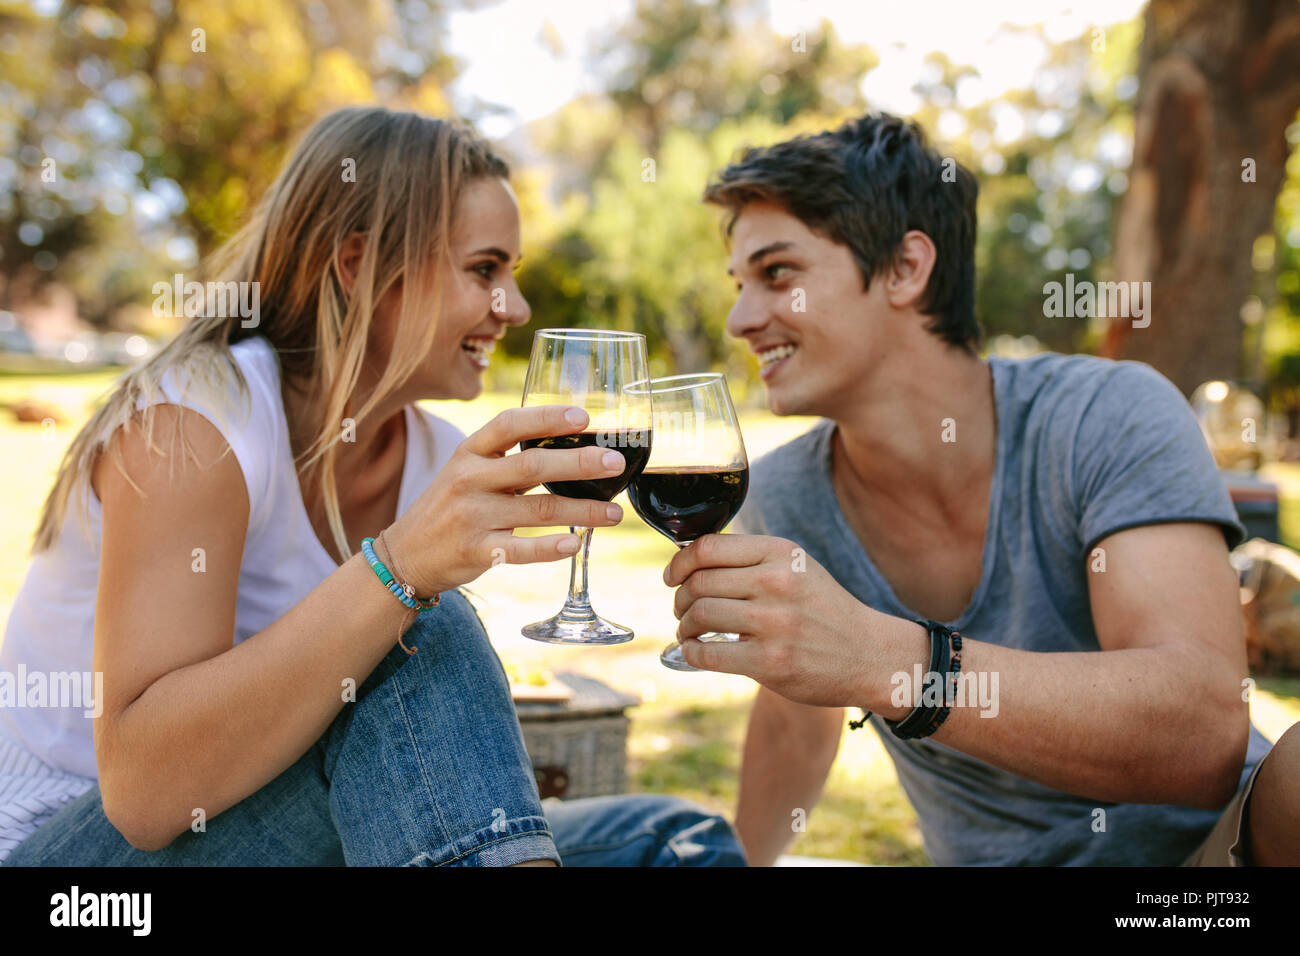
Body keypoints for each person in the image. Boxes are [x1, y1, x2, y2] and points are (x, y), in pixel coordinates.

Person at [0, 106, 744, 867]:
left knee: (676, 843)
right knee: (420, 627)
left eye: (511, 275)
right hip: (72, 860)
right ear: (357, 265)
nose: (514, 309)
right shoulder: (194, 425)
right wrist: (396, 573)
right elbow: (143, 794)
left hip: (276, 829)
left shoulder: (431, 456)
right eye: (484, 270)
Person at [663, 112, 1299, 866]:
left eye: (778, 274)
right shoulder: (784, 494)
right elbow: (795, 723)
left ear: (905, 269)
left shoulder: (1107, 415)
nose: (740, 318)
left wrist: (892, 661)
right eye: (740, 284)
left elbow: (1202, 736)